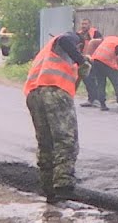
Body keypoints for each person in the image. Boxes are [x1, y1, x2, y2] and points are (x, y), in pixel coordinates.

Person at [24, 29, 91, 203]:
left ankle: (48, 189)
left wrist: (80, 72)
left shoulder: (48, 52)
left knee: (46, 143)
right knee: (65, 140)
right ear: (80, 43)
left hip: (34, 95)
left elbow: (70, 90)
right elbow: (65, 41)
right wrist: (82, 60)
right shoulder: (68, 39)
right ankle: (63, 185)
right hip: (52, 91)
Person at [85, 33, 118, 112]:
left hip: (96, 61)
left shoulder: (110, 38)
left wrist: (89, 55)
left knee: (101, 83)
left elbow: (93, 42)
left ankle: (102, 105)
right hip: (107, 63)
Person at [74, 18, 103, 94]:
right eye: (82, 24)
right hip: (83, 59)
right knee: (86, 79)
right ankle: (91, 99)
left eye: (85, 24)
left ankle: (95, 98)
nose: (83, 26)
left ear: (89, 25)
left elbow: (101, 43)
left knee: (91, 79)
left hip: (92, 59)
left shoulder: (95, 33)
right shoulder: (78, 34)